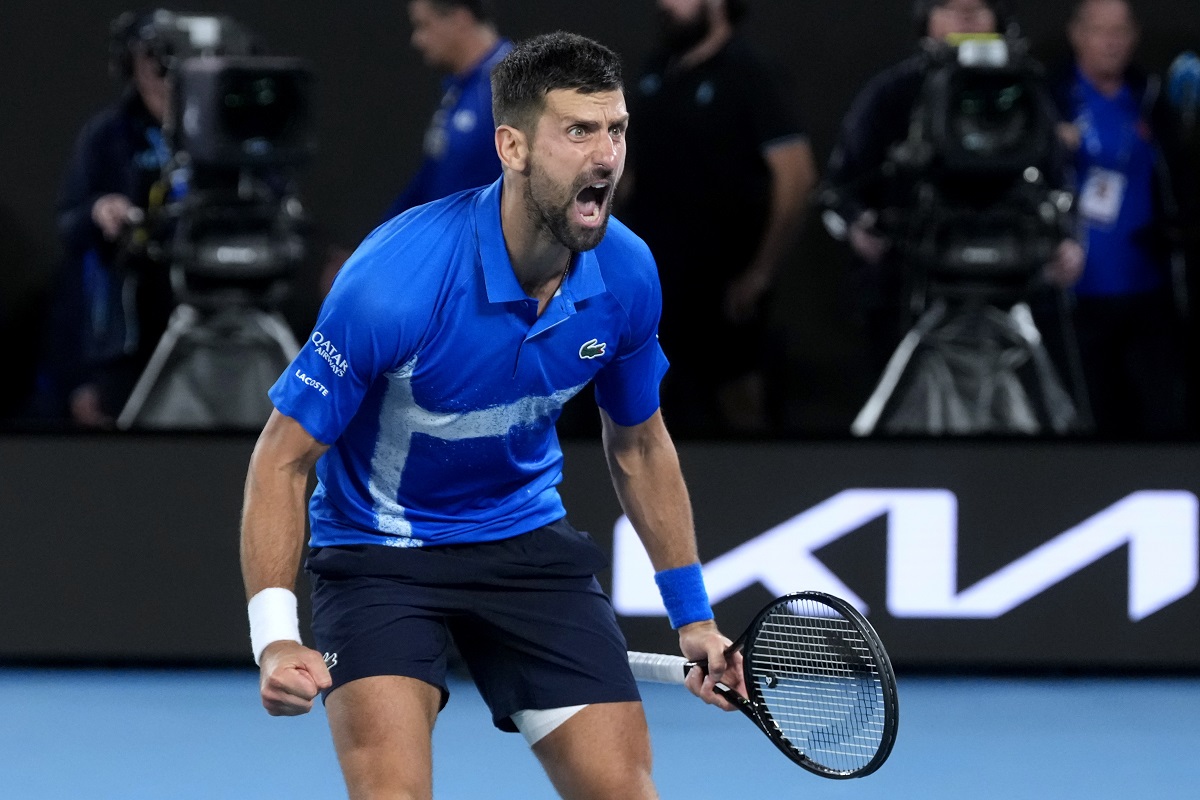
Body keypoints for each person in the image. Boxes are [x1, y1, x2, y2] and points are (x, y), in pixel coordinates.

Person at [240, 32, 744, 800]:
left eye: (616, 129)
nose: (607, 156)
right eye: (578, 131)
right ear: (512, 146)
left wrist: (695, 619)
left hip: (523, 542)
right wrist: (275, 639)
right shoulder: (395, 282)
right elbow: (283, 459)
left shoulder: (627, 273)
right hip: (382, 556)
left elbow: (639, 445)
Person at [822, 0, 1085, 380]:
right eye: (949, 5)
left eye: (977, 7)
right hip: (911, 289)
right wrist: (858, 225)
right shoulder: (893, 92)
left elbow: (1060, 180)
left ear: (998, 19)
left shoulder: (1026, 91)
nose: (965, 15)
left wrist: (1069, 241)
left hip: (1014, 288)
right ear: (925, 20)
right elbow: (839, 187)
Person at [621, 0, 817, 436]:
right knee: (647, 410)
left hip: (723, 283)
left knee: (739, 401)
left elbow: (796, 176)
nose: (663, 6)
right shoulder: (657, 71)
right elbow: (630, 170)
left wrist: (760, 272)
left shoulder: (750, 72)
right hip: (653, 283)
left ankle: (759, 496)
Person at [1054, 0, 1196, 436]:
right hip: (1077, 295)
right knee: (1090, 416)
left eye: (1121, 31)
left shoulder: (1151, 97)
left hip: (1149, 291)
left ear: (1135, 37)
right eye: (1101, 31)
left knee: (1161, 414)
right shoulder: (1050, 100)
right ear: (1077, 34)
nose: (1112, 42)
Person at [39, 10, 178, 426]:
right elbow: (69, 226)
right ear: (130, 63)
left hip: (208, 316)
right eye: (149, 54)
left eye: (170, 53)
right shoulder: (106, 136)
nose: (160, 67)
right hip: (125, 334)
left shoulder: (217, 133)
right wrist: (100, 210)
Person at [380, 0, 513, 221]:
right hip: (449, 247)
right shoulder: (457, 92)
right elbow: (429, 183)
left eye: (424, 25)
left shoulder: (520, 85)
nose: (417, 40)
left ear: (459, 19)